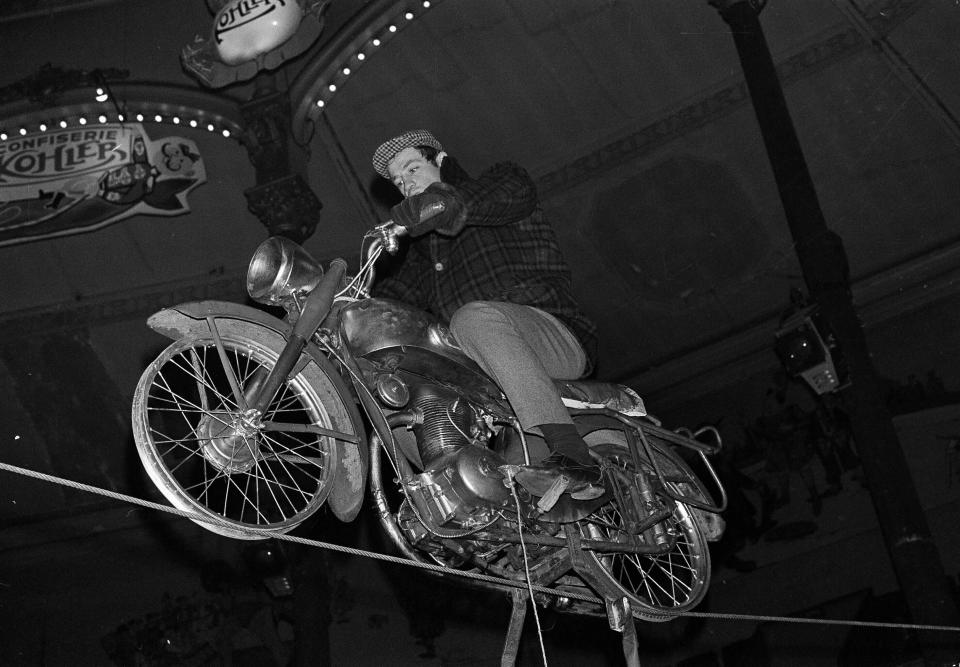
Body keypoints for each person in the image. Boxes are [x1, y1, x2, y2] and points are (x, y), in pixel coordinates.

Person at [370, 129, 602, 498]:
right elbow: (391, 300)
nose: (407, 185)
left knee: (470, 318)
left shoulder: (502, 182)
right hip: (480, 366)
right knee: (392, 380)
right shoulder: (420, 252)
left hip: (551, 336)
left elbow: (486, 199)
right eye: (399, 182)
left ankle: (571, 454)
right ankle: (450, 495)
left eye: (413, 169)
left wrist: (442, 203)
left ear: (441, 161)